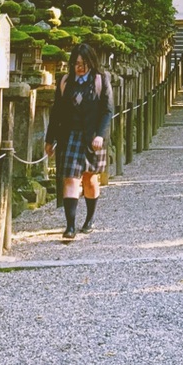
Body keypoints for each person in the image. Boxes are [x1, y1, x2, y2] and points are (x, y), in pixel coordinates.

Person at [45, 42, 112, 240]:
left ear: (91, 63)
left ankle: (90, 218)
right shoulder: (65, 82)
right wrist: (50, 139)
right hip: (70, 136)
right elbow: (56, 111)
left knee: (90, 179)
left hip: (92, 137)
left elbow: (107, 110)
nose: (79, 67)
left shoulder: (100, 80)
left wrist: (100, 135)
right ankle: (70, 225)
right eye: (76, 63)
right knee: (70, 178)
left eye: (83, 63)